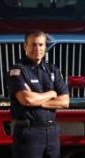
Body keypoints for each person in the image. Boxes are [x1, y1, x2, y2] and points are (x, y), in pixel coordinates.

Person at [8, 30, 70, 158]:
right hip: (29, 133)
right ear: (25, 46)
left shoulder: (53, 70)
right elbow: (27, 100)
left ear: (45, 47)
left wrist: (37, 101)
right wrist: (51, 93)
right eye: (33, 44)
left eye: (41, 45)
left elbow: (65, 102)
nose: (38, 48)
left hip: (52, 133)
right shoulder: (18, 70)